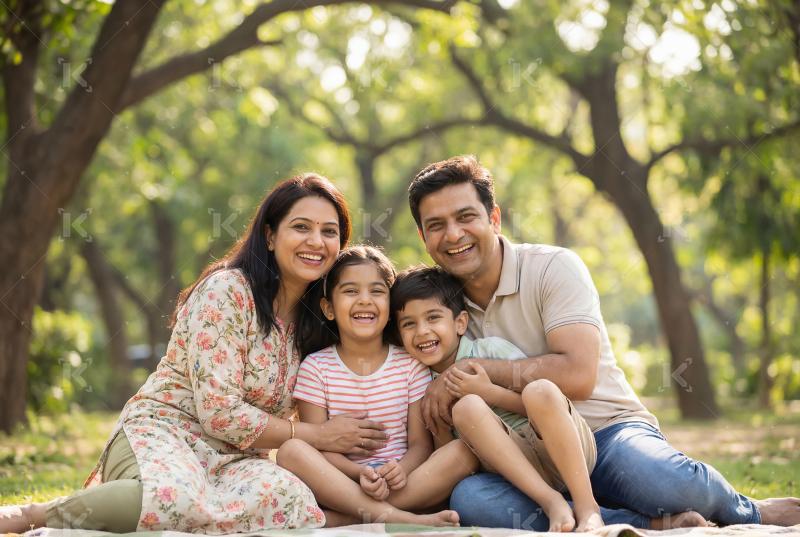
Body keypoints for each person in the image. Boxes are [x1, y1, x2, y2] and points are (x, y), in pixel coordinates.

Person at [407, 155, 800, 530]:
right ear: (424, 237)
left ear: (494, 218)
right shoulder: (433, 306)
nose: (453, 235)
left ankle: (747, 510)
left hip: (607, 431)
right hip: (525, 453)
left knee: (664, 482)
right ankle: (645, 523)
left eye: (466, 217)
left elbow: (578, 376)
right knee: (472, 501)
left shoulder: (552, 267)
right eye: (436, 225)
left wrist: (470, 372)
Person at [0, 174, 391, 534]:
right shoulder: (228, 291)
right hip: (166, 433)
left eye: (329, 231)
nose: (316, 242)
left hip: (237, 462)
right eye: (301, 227)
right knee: (174, 499)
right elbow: (219, 412)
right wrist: (318, 435)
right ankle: (35, 515)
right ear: (270, 236)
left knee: (290, 500)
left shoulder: (320, 320)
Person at [392, 266, 708, 532]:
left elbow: (539, 406)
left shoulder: (489, 351)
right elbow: (452, 454)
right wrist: (442, 423)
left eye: (433, 318)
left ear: (460, 322)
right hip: (517, 470)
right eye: (409, 324)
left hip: (561, 447)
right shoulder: (420, 384)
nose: (422, 332)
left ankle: (587, 506)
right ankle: (576, 508)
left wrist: (489, 392)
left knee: (539, 390)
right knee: (469, 442)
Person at [276, 246, 476, 527]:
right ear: (328, 308)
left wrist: (400, 470)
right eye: (350, 291)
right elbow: (318, 444)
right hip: (343, 483)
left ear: (390, 306)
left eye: (377, 291)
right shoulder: (316, 368)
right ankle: (403, 517)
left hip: (402, 482)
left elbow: (420, 444)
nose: (364, 300)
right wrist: (359, 474)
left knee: (462, 452)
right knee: (292, 450)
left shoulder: (410, 364)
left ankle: (350, 518)